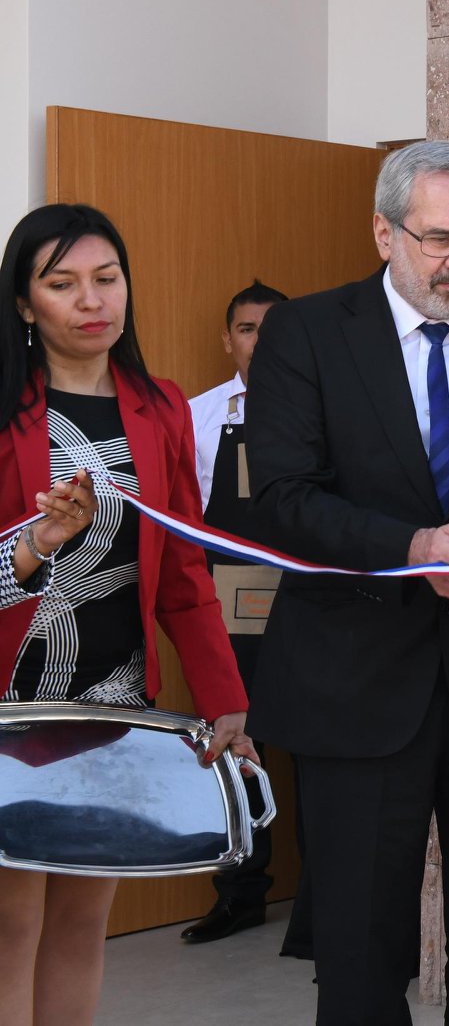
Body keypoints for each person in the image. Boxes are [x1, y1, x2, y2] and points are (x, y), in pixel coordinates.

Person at [246, 141, 449, 1026]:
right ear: (383, 232)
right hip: (350, 681)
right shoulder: (305, 334)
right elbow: (282, 500)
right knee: (358, 943)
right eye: (440, 240)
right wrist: (413, 547)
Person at [0, 204, 254, 1025]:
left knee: (82, 923)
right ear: (23, 304)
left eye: (105, 279)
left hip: (111, 707)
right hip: (10, 707)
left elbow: (183, 569)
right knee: (10, 923)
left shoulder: (162, 406)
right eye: (62, 283)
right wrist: (38, 541)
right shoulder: (6, 407)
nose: (90, 300)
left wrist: (225, 697)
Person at [181, 279, 307, 949]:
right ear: (228, 339)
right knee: (233, 751)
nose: (259, 341)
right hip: (227, 606)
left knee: (316, 751)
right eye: (248, 329)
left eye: (273, 328)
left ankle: (319, 907)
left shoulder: (325, 413)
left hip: (309, 598)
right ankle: (239, 895)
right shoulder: (196, 417)